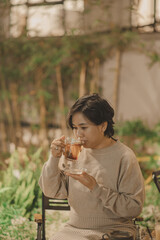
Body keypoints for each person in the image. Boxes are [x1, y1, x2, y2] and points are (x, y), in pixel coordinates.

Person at [39, 93, 145, 240]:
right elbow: (51, 191)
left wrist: (96, 188)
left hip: (115, 231)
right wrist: (53, 158)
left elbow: (133, 208)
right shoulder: (74, 151)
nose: (78, 134)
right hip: (74, 230)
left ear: (103, 126)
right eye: (75, 128)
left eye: (83, 127)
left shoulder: (124, 157)